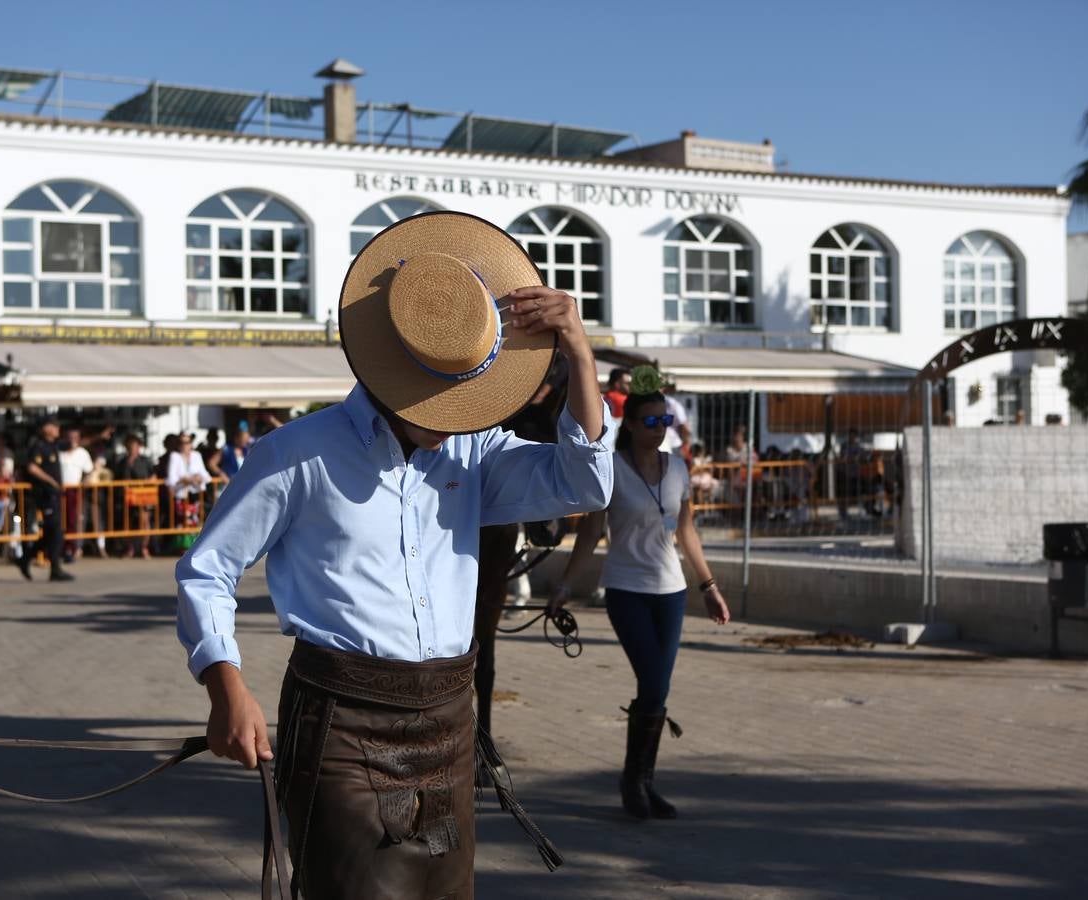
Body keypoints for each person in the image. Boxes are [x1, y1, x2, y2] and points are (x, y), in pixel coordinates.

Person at [177, 212, 613, 898]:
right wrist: (225, 687)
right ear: (394, 378)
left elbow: (585, 481)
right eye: (449, 400)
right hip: (340, 726)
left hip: (448, 717)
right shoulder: (295, 455)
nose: (464, 416)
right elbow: (207, 570)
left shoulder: (475, 449)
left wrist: (581, 353)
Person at [551, 366, 730, 822]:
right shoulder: (610, 471)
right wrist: (567, 587)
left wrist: (708, 586)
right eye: (650, 422)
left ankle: (642, 781)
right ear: (628, 424)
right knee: (652, 683)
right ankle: (635, 781)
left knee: (658, 688)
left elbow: (686, 532)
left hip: (671, 593)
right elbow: (591, 534)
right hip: (626, 590)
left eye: (664, 422)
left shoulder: (677, 469)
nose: (659, 430)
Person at [16, 417, 73, 582]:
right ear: (45, 428)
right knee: (55, 532)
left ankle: (25, 558)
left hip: (53, 494)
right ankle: (54, 568)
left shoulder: (54, 445)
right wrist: (51, 481)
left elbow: (76, 443)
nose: (57, 428)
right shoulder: (38, 446)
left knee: (51, 534)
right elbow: (32, 467)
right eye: (53, 426)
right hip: (45, 494)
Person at [111, 433, 154, 559]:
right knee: (127, 523)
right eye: (129, 445)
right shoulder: (121, 461)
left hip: (143, 497)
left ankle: (144, 548)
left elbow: (153, 476)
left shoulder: (145, 461)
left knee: (145, 522)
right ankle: (129, 548)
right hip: (126, 497)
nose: (132, 447)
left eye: (134, 445)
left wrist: (146, 485)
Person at [58, 425, 94, 563]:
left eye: (74, 438)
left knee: (72, 521)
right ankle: (58, 547)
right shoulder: (59, 451)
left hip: (74, 490)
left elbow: (89, 471)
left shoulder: (82, 453)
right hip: (59, 490)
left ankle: (70, 548)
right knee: (59, 521)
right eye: (69, 437)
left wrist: (84, 483)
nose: (71, 440)